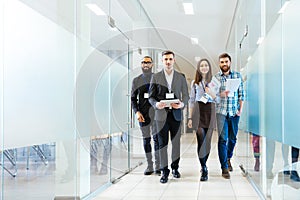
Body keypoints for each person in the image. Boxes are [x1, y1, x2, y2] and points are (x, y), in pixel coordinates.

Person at [148, 50, 189, 183]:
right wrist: (156, 104)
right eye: (165, 59)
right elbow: (151, 96)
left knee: (176, 144)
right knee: (162, 145)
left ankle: (175, 168)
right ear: (162, 61)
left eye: (170, 59)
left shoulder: (181, 76)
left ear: (174, 60)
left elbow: (186, 96)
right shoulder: (156, 77)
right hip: (161, 116)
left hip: (176, 115)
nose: (168, 61)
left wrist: (182, 104)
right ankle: (164, 172)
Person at [214, 53, 245, 179]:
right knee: (223, 139)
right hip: (221, 113)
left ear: (230, 62)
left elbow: (242, 94)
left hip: (234, 113)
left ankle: (228, 158)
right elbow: (211, 95)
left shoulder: (237, 76)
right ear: (219, 64)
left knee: (232, 139)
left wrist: (240, 110)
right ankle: (224, 167)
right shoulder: (215, 78)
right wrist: (220, 94)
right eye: (222, 62)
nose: (224, 64)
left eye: (226, 62)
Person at [187, 58, 216, 181]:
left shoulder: (214, 82)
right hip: (198, 111)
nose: (204, 67)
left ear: (209, 67)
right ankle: (203, 167)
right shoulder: (195, 82)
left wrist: (212, 93)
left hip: (210, 110)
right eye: (202, 65)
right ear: (199, 68)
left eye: (206, 65)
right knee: (201, 139)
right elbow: (191, 101)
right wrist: (189, 117)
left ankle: (204, 163)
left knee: (208, 142)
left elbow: (218, 99)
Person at [131, 56, 160, 175]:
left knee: (157, 139)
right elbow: (133, 99)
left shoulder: (157, 78)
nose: (146, 64)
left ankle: (158, 165)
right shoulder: (136, 80)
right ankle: (149, 165)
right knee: (146, 140)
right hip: (142, 115)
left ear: (152, 64)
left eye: (148, 62)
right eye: (143, 62)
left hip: (156, 114)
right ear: (141, 64)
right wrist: (136, 112)